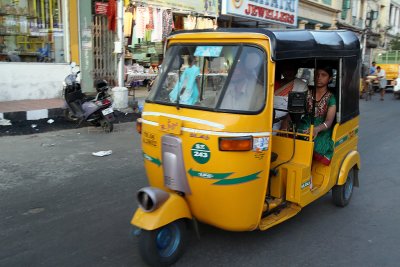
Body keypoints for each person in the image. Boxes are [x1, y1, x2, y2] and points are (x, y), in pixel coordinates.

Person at [285, 65, 336, 166]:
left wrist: (317, 129)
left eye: (323, 75)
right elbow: (295, 108)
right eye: (317, 75)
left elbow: (329, 121)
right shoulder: (307, 91)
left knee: (315, 144)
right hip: (305, 123)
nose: (319, 77)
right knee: (288, 137)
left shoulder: (331, 98)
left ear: (329, 78)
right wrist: (286, 122)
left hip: (321, 128)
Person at [273, 63, 308, 130]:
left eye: (291, 69)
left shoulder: (301, 85)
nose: (288, 72)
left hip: (288, 120)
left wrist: (286, 121)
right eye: (286, 69)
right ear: (282, 70)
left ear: (296, 70)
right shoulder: (273, 83)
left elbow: (297, 108)